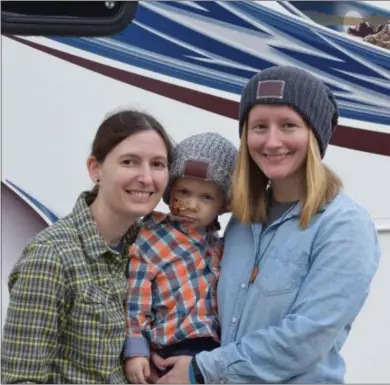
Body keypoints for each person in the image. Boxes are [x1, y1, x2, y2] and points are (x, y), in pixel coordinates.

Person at [152, 66, 381, 384]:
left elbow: (306, 338)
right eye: (259, 126)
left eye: (288, 125)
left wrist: (203, 369)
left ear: (314, 134)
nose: (272, 142)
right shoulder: (243, 221)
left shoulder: (345, 226)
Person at [1, 109, 174, 384]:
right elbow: (21, 380)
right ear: (96, 169)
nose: (146, 177)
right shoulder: (51, 256)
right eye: (129, 162)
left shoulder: (154, 248)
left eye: (157, 164)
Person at [123, 133, 237, 384]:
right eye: (183, 192)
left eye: (206, 197)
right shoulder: (152, 238)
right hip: (170, 347)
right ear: (169, 191)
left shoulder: (221, 248)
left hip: (212, 356)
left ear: (223, 204)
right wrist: (136, 350)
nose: (191, 205)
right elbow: (135, 296)